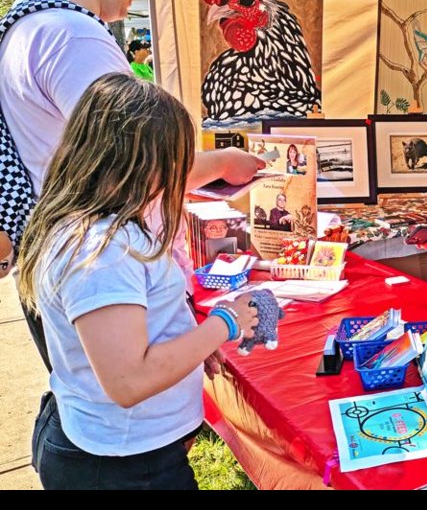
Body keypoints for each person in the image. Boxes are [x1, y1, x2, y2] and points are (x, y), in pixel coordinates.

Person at [0, 0, 265, 372]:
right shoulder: (72, 35)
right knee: (134, 425)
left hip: (72, 266)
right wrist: (225, 163)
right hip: (107, 273)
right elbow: (139, 169)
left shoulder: (27, 23)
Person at [17, 73, 260, 489]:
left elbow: (129, 332)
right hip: (119, 467)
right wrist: (225, 322)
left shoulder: (90, 227)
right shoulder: (101, 251)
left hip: (111, 450)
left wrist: (189, 343)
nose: (181, 173)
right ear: (140, 163)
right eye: (175, 160)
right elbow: (129, 380)